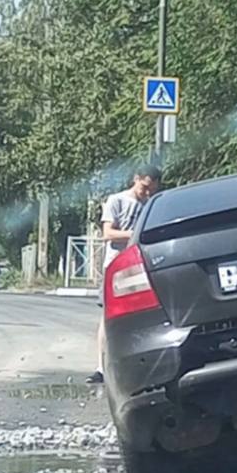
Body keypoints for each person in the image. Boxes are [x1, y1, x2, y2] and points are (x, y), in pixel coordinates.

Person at [87, 163, 161, 384]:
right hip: (116, 267)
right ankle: (102, 368)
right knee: (108, 316)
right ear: (136, 179)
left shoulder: (150, 206)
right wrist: (135, 234)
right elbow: (108, 233)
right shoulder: (116, 200)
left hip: (141, 266)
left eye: (152, 190)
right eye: (145, 187)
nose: (147, 193)